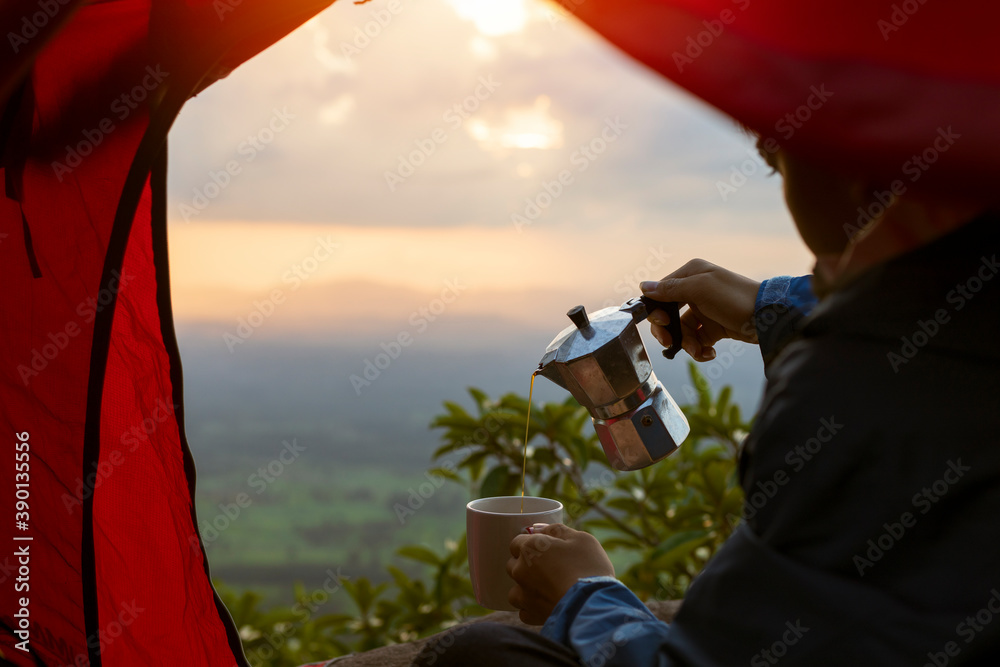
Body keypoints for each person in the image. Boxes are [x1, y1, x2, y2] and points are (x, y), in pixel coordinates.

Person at [411, 138, 1000, 665]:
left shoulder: (847, 384)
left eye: (778, 159)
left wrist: (584, 593)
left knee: (476, 652)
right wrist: (766, 306)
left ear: (856, 177)